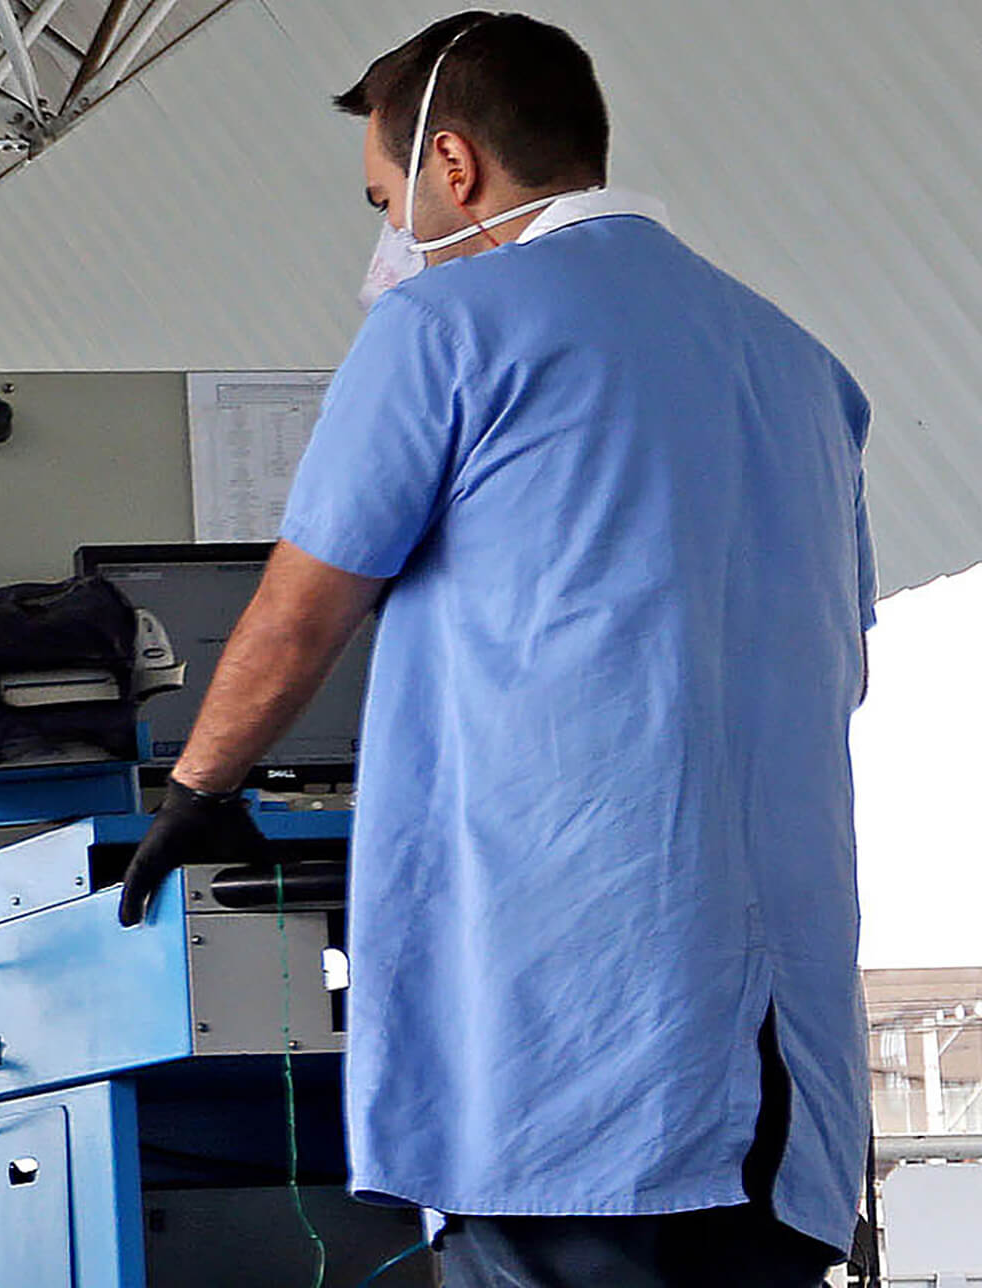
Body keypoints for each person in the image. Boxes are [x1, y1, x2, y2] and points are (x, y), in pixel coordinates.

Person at [118, 12, 876, 1286]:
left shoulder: (446, 325)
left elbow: (303, 610)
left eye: (386, 199)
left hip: (572, 1040)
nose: (391, 235)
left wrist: (199, 788)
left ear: (453, 164)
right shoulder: (807, 370)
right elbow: (840, 664)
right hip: (786, 1075)